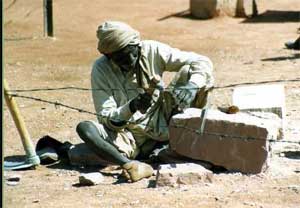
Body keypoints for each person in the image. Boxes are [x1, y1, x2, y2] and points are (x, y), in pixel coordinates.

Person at [76, 21, 214, 182]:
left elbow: (202, 61)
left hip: (164, 118)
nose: (130, 60)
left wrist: (192, 87)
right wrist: (132, 106)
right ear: (108, 56)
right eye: (121, 58)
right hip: (129, 134)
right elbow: (106, 118)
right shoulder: (100, 69)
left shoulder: (151, 49)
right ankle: (132, 165)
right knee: (85, 129)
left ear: (137, 45)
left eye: (132, 53)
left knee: (192, 71)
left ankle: (187, 142)